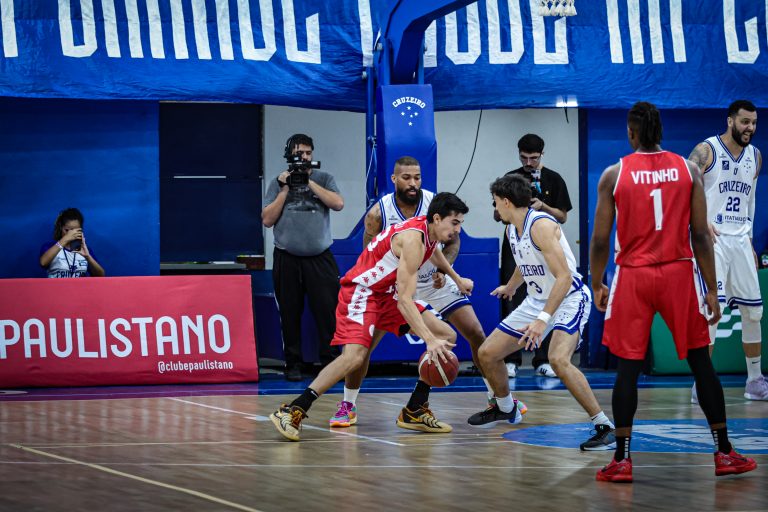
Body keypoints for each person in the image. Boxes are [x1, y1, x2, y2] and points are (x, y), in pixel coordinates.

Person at [590, 101, 757, 482]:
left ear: (631, 133)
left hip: (633, 275)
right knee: (701, 363)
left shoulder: (614, 173)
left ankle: (622, 459)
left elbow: (599, 240)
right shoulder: (689, 170)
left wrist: (597, 281)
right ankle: (724, 452)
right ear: (661, 131)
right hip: (678, 273)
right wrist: (711, 288)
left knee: (628, 368)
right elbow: (701, 234)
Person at [328, 156, 518, 428]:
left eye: (417, 177)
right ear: (394, 179)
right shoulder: (378, 213)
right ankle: (348, 404)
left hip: (435, 280)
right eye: (406, 178)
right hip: (398, 287)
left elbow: (453, 242)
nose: (413, 183)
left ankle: (496, 399)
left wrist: (445, 271)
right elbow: (368, 254)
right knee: (364, 348)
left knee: (475, 332)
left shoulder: (434, 203)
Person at [270, 193, 472, 441]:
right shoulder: (413, 241)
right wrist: (428, 340)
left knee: (446, 335)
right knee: (354, 357)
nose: (458, 230)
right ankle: (294, 409)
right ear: (438, 218)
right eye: (455, 223)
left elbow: (434, 253)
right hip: (363, 292)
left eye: (460, 223)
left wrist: (456, 278)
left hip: (387, 294)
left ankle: (415, 409)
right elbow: (405, 301)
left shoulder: (428, 229)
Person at [468, 175, 615, 451]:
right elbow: (525, 261)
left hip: (569, 297)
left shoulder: (542, 226)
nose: (494, 207)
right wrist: (511, 286)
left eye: (495, 202)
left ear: (506, 202)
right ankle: (506, 407)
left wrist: (542, 320)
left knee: (558, 360)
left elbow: (564, 278)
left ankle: (604, 426)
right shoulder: (512, 229)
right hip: (537, 300)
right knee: (487, 353)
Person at [688, 100, 766, 401]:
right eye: (745, 122)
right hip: (712, 242)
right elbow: (683, 186)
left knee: (754, 312)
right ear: (730, 120)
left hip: (740, 240)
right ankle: (702, 383)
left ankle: (755, 380)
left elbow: (751, 200)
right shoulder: (706, 150)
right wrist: (699, 220)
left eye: (754, 123)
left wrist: (750, 239)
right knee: (712, 312)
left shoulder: (755, 156)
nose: (750, 128)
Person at [262, 134, 344, 382]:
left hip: (319, 257)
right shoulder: (278, 182)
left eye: (308, 153)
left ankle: (330, 363)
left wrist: (309, 182)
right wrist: (285, 189)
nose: (304, 157)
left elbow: (338, 204)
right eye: (299, 153)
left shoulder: (324, 178)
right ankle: (293, 363)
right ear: (289, 155)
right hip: (287, 257)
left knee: (327, 313)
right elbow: (267, 220)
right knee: (289, 313)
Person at [500, 134, 572, 379]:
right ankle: (512, 359)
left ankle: (543, 358)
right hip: (517, 244)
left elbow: (563, 216)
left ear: (542, 154)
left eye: (533, 158)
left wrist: (544, 207)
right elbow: (498, 214)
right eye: (524, 158)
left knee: (550, 294)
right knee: (512, 296)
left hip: (544, 244)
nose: (528, 163)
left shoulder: (554, 179)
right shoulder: (510, 178)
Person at [39, 208, 106, 278]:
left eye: (75, 231)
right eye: (67, 230)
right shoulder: (50, 246)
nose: (71, 234)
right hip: (56, 285)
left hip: (80, 285)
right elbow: (43, 263)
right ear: (61, 228)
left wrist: (88, 257)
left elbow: (100, 275)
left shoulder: (84, 249)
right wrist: (65, 239)